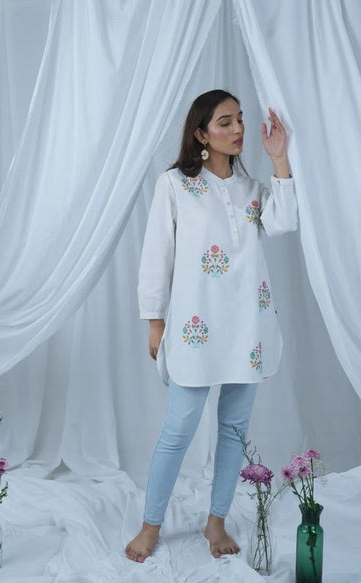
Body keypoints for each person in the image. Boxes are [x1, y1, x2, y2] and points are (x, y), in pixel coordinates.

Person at [125, 89, 298, 563]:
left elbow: (283, 223)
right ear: (201, 134)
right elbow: (156, 256)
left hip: (248, 326)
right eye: (225, 122)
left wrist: (279, 159)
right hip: (195, 327)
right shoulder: (175, 185)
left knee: (234, 428)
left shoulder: (251, 189)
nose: (238, 129)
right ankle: (150, 525)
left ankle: (215, 521)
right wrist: (155, 321)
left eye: (240, 119)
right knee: (178, 428)